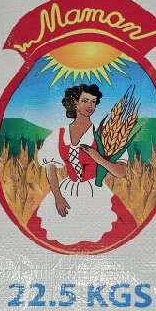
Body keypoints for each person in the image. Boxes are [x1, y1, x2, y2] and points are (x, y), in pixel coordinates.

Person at [28, 83, 135, 248]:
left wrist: (98, 158)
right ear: (75, 103)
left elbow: (121, 172)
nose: (90, 106)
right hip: (66, 191)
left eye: (93, 102)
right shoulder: (59, 134)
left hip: (96, 193)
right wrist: (58, 197)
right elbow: (50, 169)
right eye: (85, 101)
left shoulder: (105, 133)